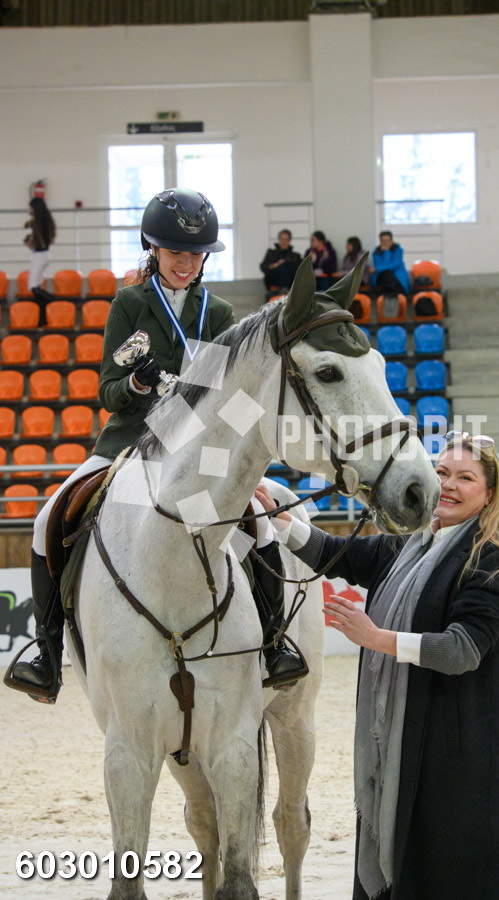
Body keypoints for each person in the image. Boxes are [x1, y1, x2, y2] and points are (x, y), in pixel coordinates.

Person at [7, 187, 306, 704]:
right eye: (174, 252)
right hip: (129, 442)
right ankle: (46, 652)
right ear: (153, 249)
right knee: (45, 519)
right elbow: (107, 392)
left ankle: (276, 642)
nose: (185, 263)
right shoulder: (129, 304)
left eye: (195, 254)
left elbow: (231, 397)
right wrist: (136, 385)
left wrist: (241, 456)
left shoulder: (219, 313)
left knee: (258, 522)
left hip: (193, 446)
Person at [255, 432, 499, 900]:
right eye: (442, 472)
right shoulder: (412, 543)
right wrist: (280, 519)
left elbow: (460, 650)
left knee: (461, 869)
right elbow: (338, 555)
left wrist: (376, 638)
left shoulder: (494, 560)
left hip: (468, 753)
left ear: (489, 493)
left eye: (465, 478)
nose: (448, 485)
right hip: (418, 738)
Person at [23, 196, 56, 325]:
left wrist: (30, 242)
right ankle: (42, 318)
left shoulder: (39, 222)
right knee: (36, 287)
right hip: (43, 254)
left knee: (34, 287)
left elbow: (38, 242)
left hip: (40, 255)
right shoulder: (46, 220)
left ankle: (53, 302)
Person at [369, 230, 410, 297]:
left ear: (391, 240)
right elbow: (379, 265)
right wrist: (386, 252)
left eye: (387, 240)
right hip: (382, 276)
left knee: (388, 274)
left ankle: (389, 296)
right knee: (386, 274)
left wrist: (377, 268)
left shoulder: (398, 249)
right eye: (383, 241)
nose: (385, 243)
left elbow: (394, 265)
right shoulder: (376, 252)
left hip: (397, 275)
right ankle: (389, 296)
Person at [259, 228, 301, 292]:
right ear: (279, 240)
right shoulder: (271, 253)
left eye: (286, 240)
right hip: (274, 278)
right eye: (282, 239)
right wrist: (276, 265)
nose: (284, 242)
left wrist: (287, 264)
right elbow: (263, 267)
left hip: (290, 281)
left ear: (289, 241)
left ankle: (284, 289)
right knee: (284, 266)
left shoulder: (295, 256)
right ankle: (284, 289)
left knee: (288, 265)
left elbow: (299, 270)